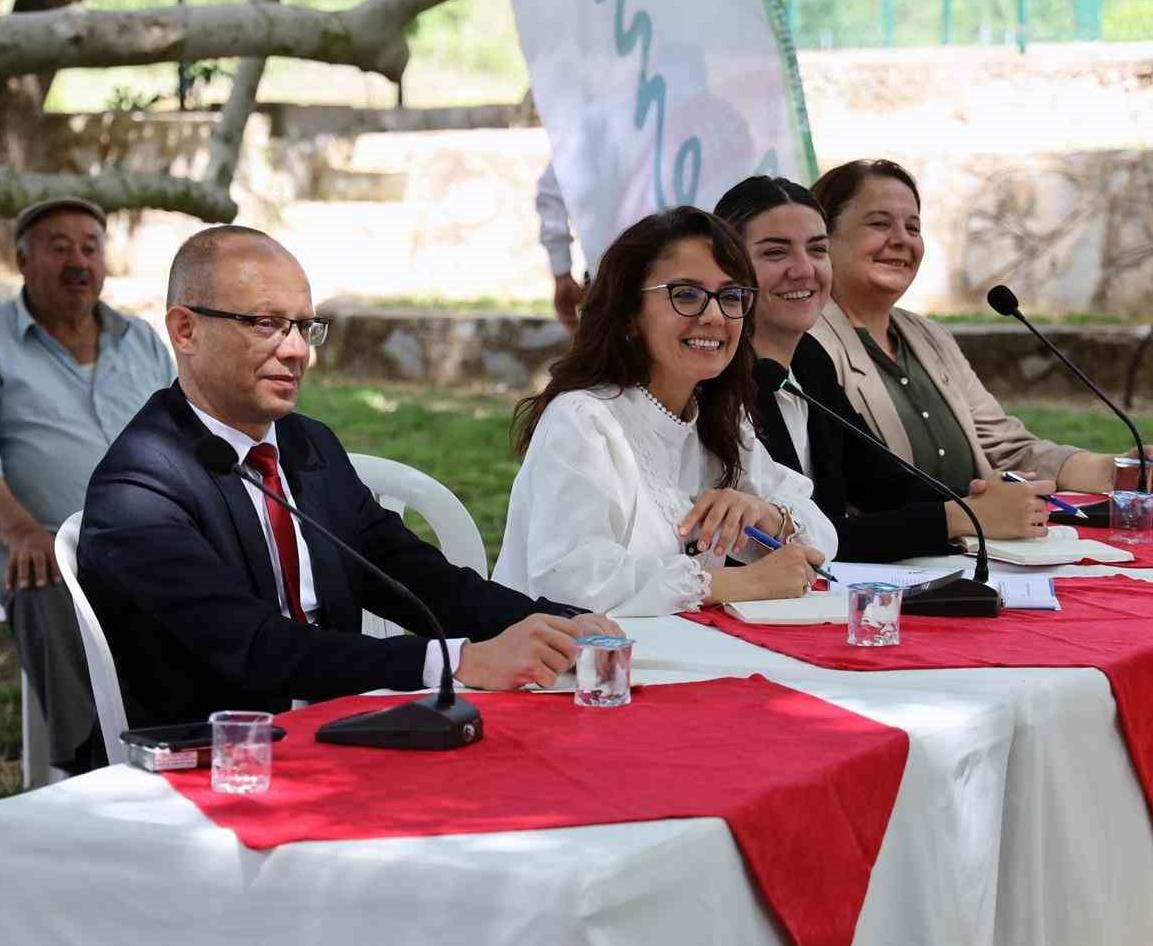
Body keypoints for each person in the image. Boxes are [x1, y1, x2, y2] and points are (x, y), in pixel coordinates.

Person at [75, 226, 619, 733]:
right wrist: (463, 661)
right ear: (185, 329)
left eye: (304, 326)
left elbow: (415, 578)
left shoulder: (305, 444)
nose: (295, 350)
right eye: (265, 324)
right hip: (224, 760)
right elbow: (254, 649)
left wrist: (559, 624)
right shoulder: (137, 488)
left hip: (350, 721)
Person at [492, 207, 839, 616]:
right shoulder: (584, 420)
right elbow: (572, 582)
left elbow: (821, 541)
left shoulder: (716, 418)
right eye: (686, 294)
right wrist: (736, 582)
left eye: (731, 297)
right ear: (629, 313)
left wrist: (762, 514)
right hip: (561, 668)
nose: (714, 316)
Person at [0, 197, 175, 773]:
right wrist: (20, 531)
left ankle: (192, 738)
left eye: (90, 247)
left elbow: (185, 439)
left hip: (138, 533)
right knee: (42, 578)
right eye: (58, 246)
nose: (78, 260)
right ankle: (91, 764)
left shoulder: (140, 341)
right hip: (24, 531)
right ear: (22, 260)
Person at [713, 175, 1054, 562]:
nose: (804, 269)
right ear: (730, 269)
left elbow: (880, 481)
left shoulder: (808, 357)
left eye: (817, 250)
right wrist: (959, 518)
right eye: (776, 253)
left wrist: (982, 502)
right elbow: (811, 534)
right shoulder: (716, 379)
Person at [809, 159, 1151, 493]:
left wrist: (1120, 471)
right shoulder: (807, 342)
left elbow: (1009, 450)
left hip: (982, 544)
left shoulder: (931, 337)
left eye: (913, 228)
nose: (902, 240)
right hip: (893, 546)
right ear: (822, 236)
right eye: (880, 224)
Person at [536, 162, 584, 333]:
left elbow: (552, 192)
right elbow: (553, 188)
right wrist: (561, 271)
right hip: (609, 281)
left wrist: (561, 270)